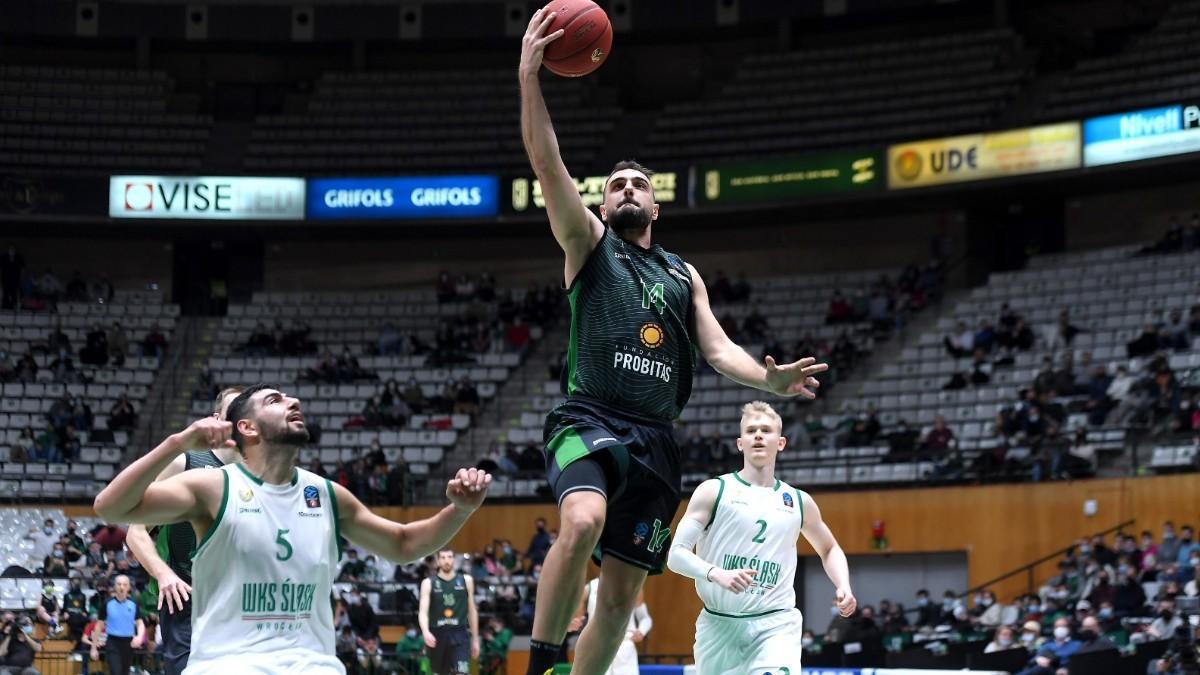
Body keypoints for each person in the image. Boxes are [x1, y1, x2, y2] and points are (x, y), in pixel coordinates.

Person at [518, 14, 828, 674]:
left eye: (639, 184)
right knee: (581, 522)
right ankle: (542, 659)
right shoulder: (589, 245)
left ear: (655, 207)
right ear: (603, 205)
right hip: (590, 418)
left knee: (619, 601)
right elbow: (547, 163)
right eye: (617, 185)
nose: (627, 189)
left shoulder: (683, 274)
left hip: (656, 440)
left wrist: (769, 381)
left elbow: (717, 349)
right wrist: (529, 79)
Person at [93, 384, 492, 674]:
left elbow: (404, 544)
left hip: (313, 666)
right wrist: (177, 443)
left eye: (289, 398)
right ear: (247, 428)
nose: (293, 401)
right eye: (275, 400)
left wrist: (459, 510)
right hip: (227, 665)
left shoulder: (326, 494)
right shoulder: (212, 487)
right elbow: (110, 508)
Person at [667, 401, 855, 675]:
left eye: (766, 430)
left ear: (780, 443)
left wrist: (843, 585)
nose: (758, 435)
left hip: (775, 625)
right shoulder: (714, 491)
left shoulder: (798, 501)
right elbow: (676, 555)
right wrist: (716, 573)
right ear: (740, 443)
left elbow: (829, 549)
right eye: (751, 430)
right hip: (718, 625)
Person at [124, 386, 244, 675]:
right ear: (217, 419)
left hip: (240, 601)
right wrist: (164, 574)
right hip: (188, 598)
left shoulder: (261, 475)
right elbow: (136, 531)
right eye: (233, 410)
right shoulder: (186, 463)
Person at [574, 578, 652, 675]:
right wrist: (574, 622)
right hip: (597, 646)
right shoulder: (589, 588)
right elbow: (577, 620)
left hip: (625, 647)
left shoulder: (634, 587)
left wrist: (642, 630)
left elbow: (645, 618)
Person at [418, 549, 479, 675]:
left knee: (462, 672)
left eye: (450, 557)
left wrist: (475, 639)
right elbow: (423, 612)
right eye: (443, 557)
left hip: (459, 633)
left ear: (454, 560)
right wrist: (425, 631)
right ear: (438, 561)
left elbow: (472, 611)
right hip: (437, 634)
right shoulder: (428, 583)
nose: (447, 561)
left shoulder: (466, 580)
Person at [95, 575, 146, 675]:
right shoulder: (107, 603)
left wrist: (139, 637)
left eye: (124, 584)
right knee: (116, 672)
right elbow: (99, 625)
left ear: (129, 587)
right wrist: (93, 647)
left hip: (128, 643)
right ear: (114, 586)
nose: (121, 587)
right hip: (112, 642)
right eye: (119, 584)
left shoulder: (134, 604)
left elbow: (140, 623)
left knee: (124, 672)